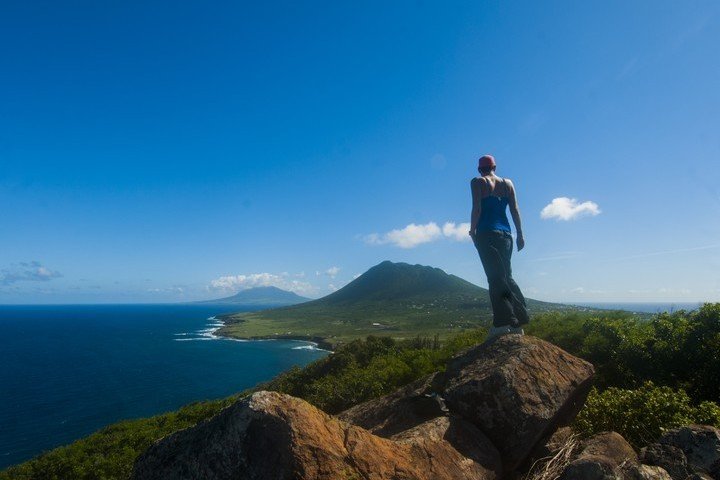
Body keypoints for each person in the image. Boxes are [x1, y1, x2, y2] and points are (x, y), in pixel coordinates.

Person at [469, 154, 529, 338]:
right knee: (506, 276)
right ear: (494, 166)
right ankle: (518, 321)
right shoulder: (508, 183)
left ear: (480, 169)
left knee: (495, 278)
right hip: (506, 235)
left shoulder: (478, 182)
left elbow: (477, 207)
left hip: (487, 233)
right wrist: (520, 234)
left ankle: (501, 324)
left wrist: (472, 230)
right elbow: (515, 209)